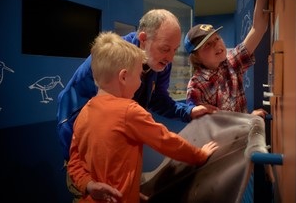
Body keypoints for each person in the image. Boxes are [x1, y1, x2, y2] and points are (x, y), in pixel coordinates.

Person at [67, 32, 219, 202]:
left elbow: (74, 162)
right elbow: (168, 142)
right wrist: (200, 155)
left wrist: (89, 185)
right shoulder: (129, 111)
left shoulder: (83, 114)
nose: (141, 83)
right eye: (139, 75)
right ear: (123, 77)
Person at [57, 9, 216, 162]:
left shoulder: (160, 64)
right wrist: (75, 162)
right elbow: (70, 104)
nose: (170, 58)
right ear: (143, 39)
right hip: (90, 150)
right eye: (165, 49)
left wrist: (189, 111)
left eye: (174, 50)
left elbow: (158, 99)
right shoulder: (109, 57)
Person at [184, 0, 274, 118]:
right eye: (207, 45)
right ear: (196, 57)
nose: (216, 45)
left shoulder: (231, 62)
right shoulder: (196, 86)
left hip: (243, 136)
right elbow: (208, 129)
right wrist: (249, 120)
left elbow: (258, 28)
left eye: (217, 39)